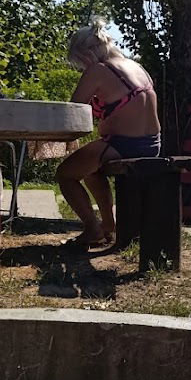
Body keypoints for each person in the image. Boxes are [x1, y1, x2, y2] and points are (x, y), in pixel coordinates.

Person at [57, 19, 161, 248]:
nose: (83, 68)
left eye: (80, 62)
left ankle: (93, 229)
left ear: (87, 54)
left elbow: (73, 111)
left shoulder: (99, 70)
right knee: (90, 170)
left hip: (123, 145)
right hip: (152, 143)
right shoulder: (135, 66)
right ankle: (108, 224)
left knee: (65, 174)